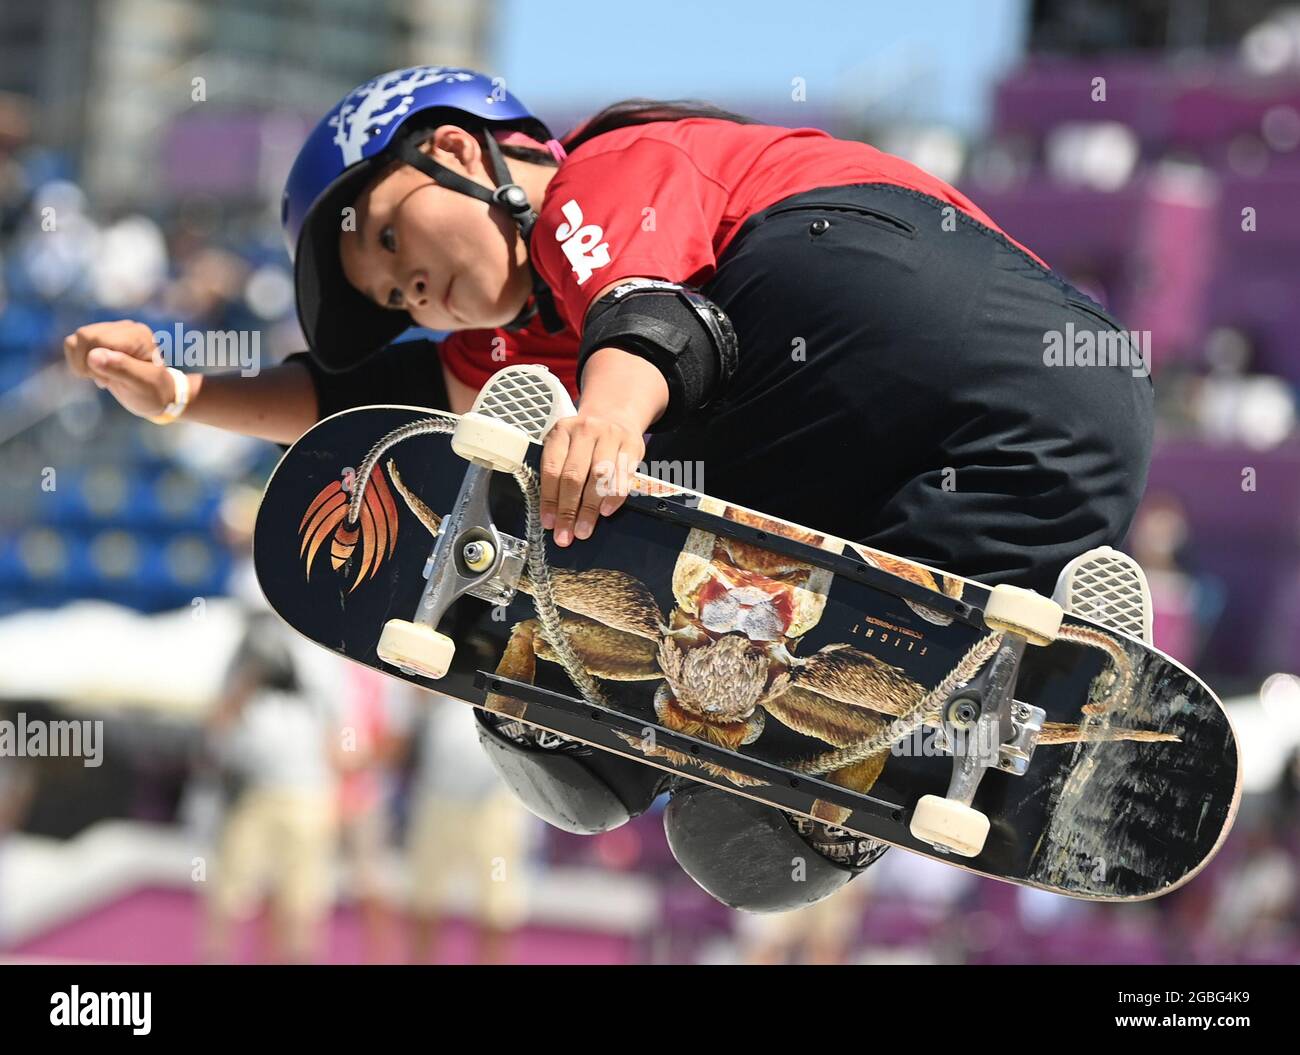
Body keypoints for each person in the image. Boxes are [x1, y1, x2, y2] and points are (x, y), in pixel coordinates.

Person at [64, 65, 1154, 913]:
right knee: (740, 839)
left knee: (572, 505)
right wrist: (186, 393)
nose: (418, 289)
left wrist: (612, 419)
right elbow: (361, 399)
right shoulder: (511, 339)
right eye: (398, 291)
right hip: (1069, 427)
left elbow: (651, 308)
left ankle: (545, 585)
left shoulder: (609, 166)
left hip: (875, 296)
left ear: (456, 150)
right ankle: (1042, 640)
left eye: (397, 238)